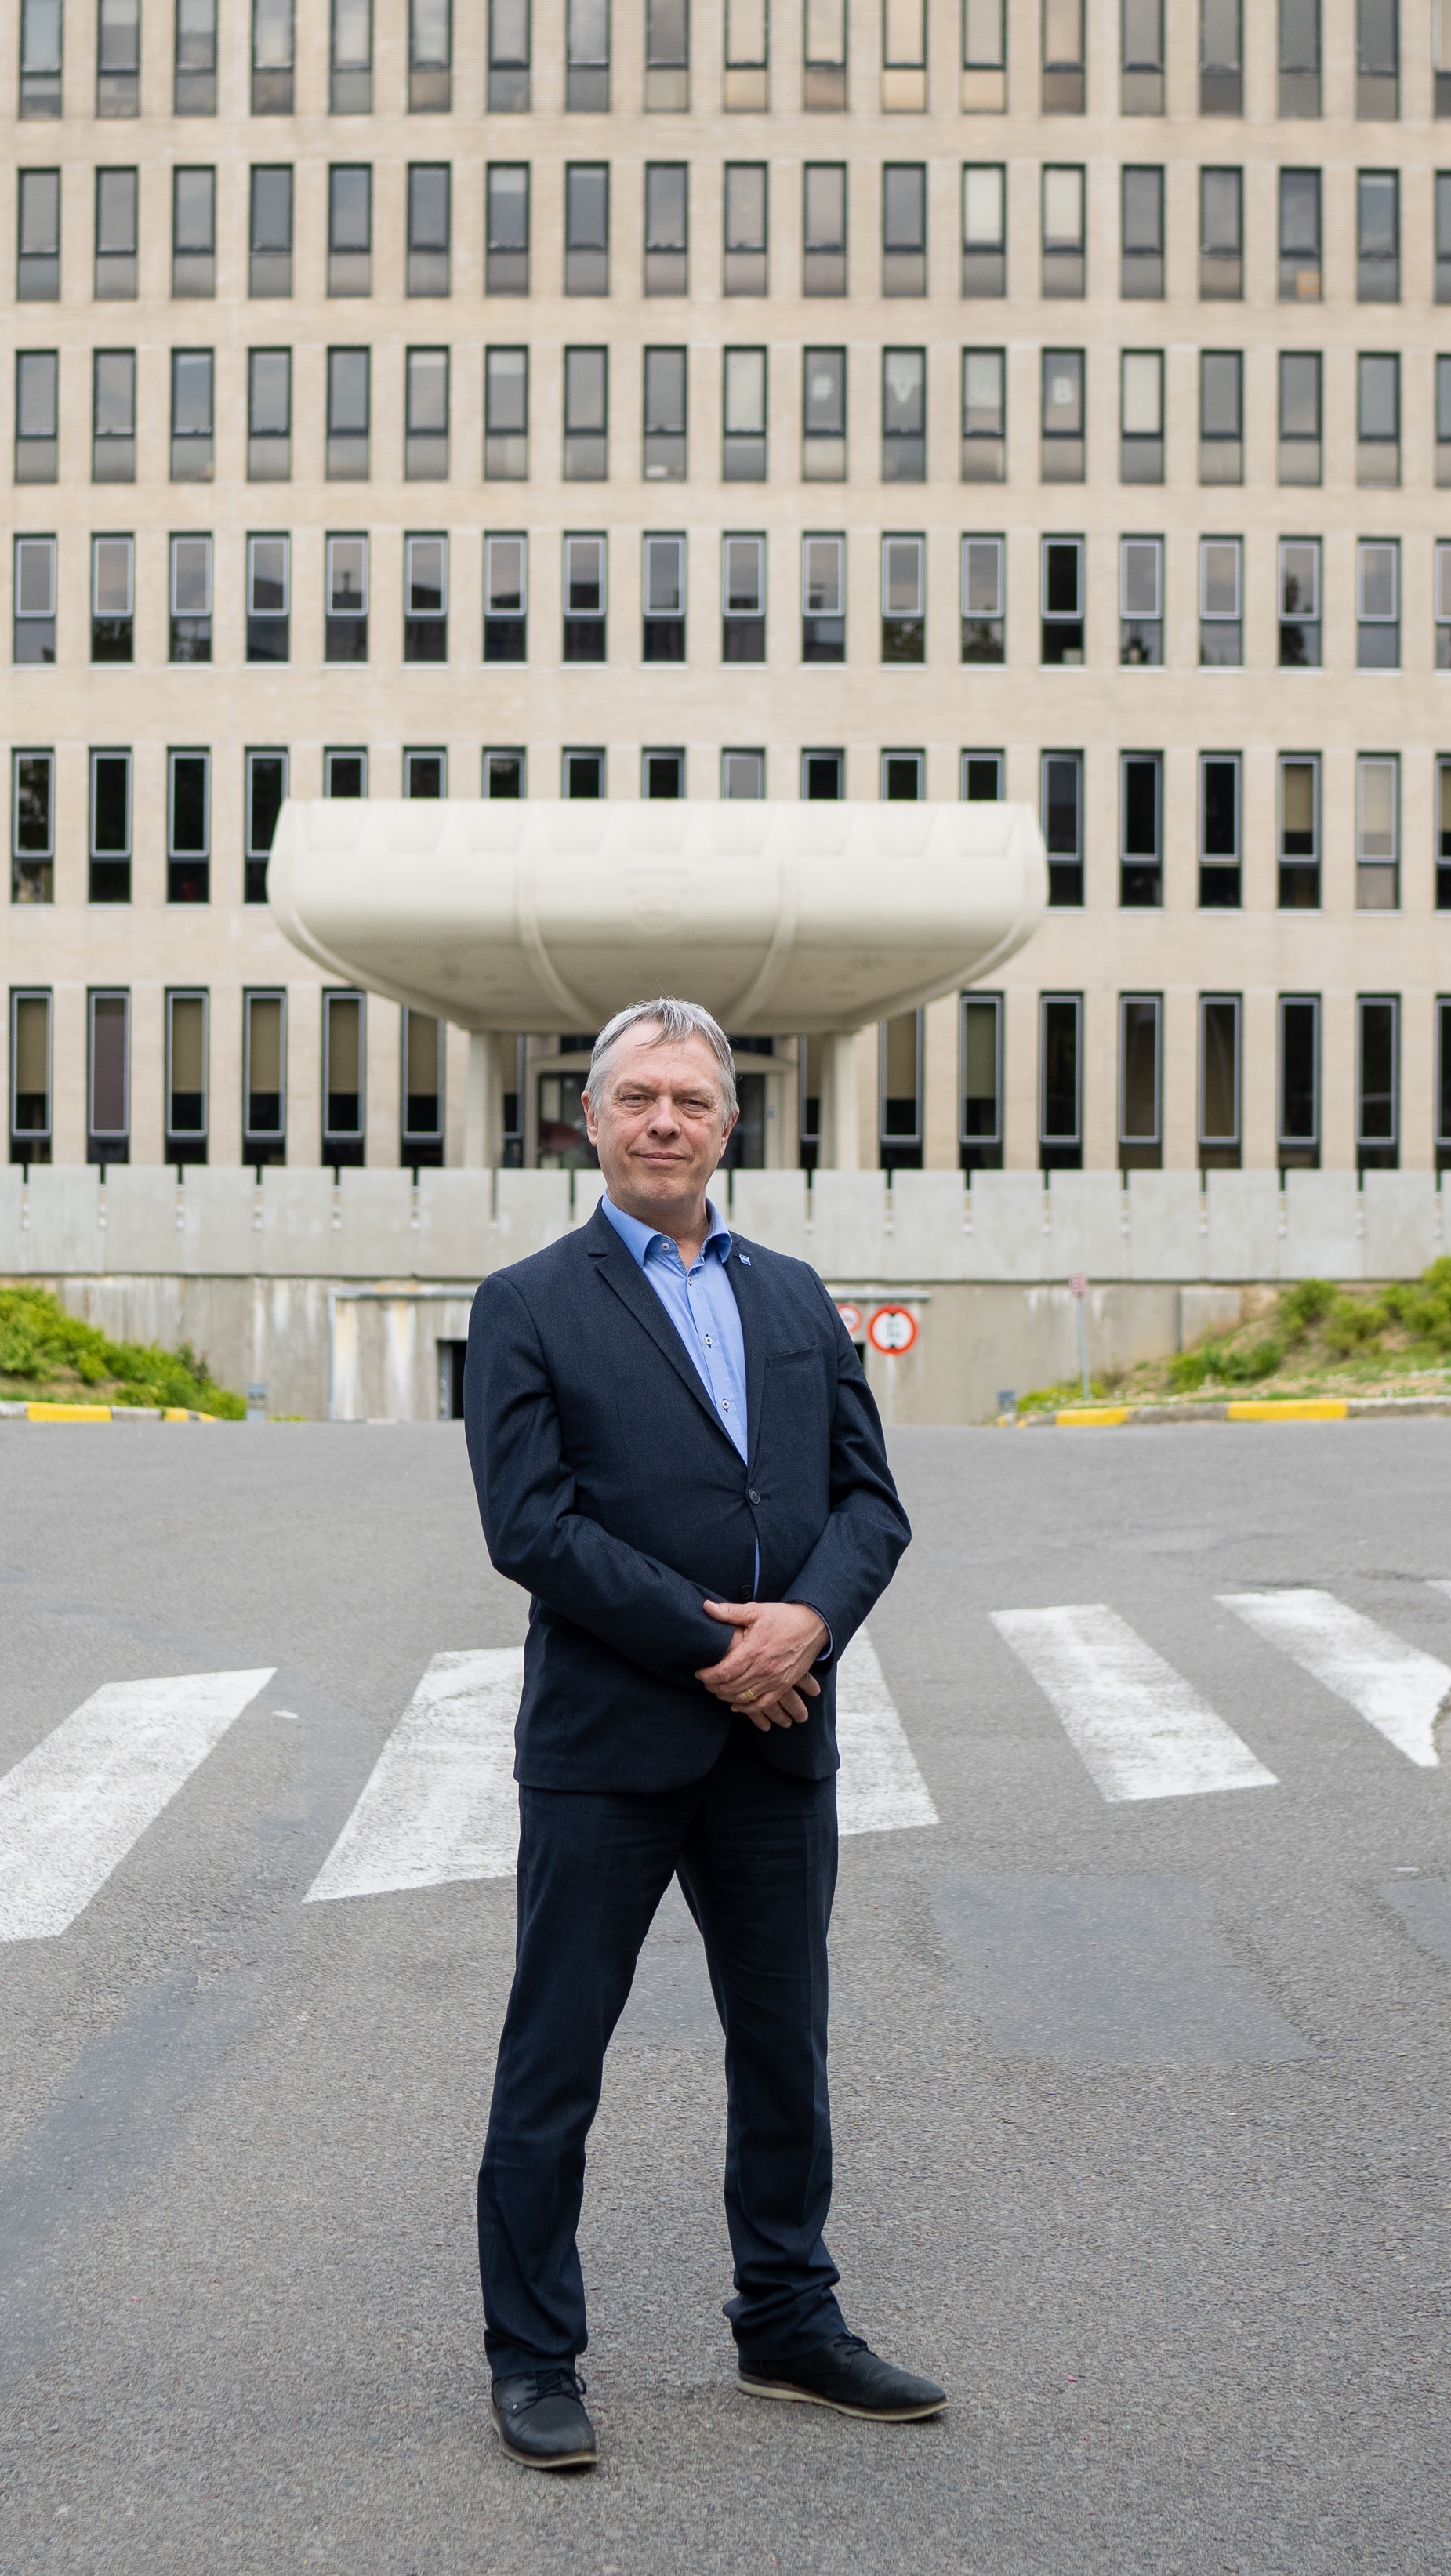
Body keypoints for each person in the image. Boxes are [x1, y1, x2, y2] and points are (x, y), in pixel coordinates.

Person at [459, 995, 942, 2471]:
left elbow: (870, 1503)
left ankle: (788, 2321)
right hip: (609, 1747)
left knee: (785, 2049)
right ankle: (535, 2356)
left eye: (691, 1099)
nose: (663, 1121)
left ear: (731, 1124)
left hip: (778, 1745)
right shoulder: (529, 1302)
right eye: (637, 1098)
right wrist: (721, 1645)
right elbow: (530, 1526)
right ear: (590, 1121)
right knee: (555, 2061)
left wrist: (809, 1624)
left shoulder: (795, 1295)